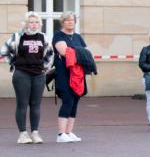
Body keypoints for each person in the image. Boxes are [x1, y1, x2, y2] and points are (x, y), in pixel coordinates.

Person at [1, 12, 54, 144]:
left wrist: (45, 67)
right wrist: (14, 63)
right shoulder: (18, 36)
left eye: (36, 22)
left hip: (38, 75)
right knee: (22, 105)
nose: (34, 25)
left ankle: (35, 133)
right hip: (21, 74)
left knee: (36, 105)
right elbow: (4, 51)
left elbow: (50, 53)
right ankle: (23, 134)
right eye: (31, 22)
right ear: (26, 24)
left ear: (40, 24)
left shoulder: (43, 37)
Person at [52, 11, 89, 143]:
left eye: (72, 20)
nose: (70, 22)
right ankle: (61, 134)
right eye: (67, 20)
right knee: (67, 101)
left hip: (78, 76)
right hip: (64, 75)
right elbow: (64, 52)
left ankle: (69, 132)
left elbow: (88, 54)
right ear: (62, 22)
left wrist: (75, 52)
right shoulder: (58, 36)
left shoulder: (78, 37)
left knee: (75, 103)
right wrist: (81, 53)